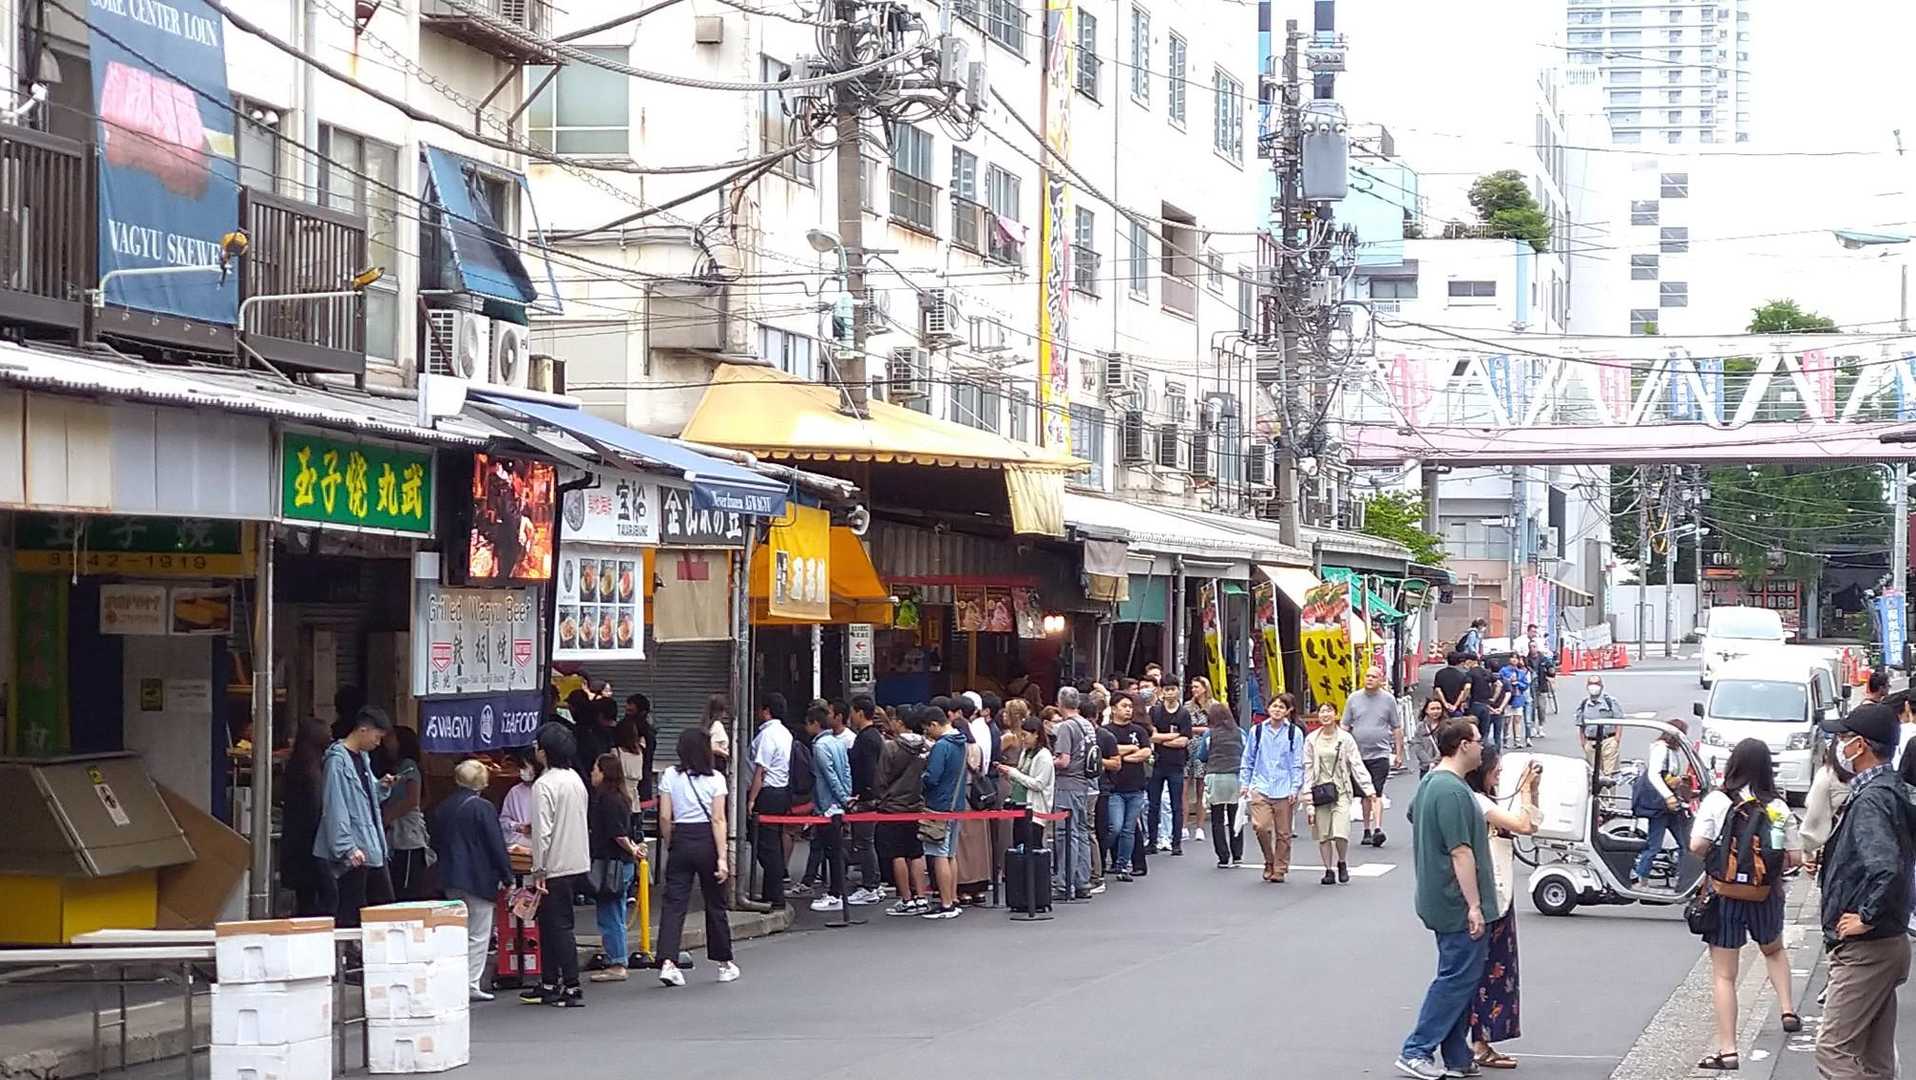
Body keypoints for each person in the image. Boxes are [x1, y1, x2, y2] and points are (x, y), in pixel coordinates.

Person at [1814, 701, 1916, 1080]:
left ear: (1861, 745)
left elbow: (1887, 866)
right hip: (1889, 941)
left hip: (1868, 946)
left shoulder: (1872, 798)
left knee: (1834, 1050)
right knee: (1876, 1058)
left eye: (1844, 738)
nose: (1839, 746)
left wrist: (1866, 917)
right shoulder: (1893, 790)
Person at [1688, 738, 1803, 1072]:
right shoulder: (1777, 806)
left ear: (1733, 764)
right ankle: (1787, 1010)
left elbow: (1697, 845)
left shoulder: (1718, 800)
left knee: (1725, 975)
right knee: (1773, 950)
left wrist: (1723, 857)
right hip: (1765, 894)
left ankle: (1728, 1050)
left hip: (1725, 896)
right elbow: (1794, 857)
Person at [1395, 719, 1499, 1080]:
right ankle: (1416, 1049)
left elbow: (1413, 814)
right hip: (1455, 899)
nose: (1483, 747)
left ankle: (1457, 1055)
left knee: (1462, 976)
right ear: (1463, 745)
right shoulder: (1452, 791)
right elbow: (1460, 851)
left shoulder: (1431, 783)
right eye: (1478, 740)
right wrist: (1474, 905)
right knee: (1456, 977)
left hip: (1437, 893)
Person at [1464, 746, 1543, 1071]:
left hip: (1499, 891)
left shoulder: (1486, 799)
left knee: (1497, 967)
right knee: (1487, 969)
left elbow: (1530, 824)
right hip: (1488, 894)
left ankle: (1482, 1041)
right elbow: (1522, 826)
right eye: (1496, 767)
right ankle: (1478, 1042)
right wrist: (1524, 789)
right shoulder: (1478, 801)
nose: (1499, 773)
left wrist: (1532, 791)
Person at [655, 727, 740, 988]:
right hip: (707, 840)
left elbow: (665, 816)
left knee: (674, 903)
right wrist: (722, 857)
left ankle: (668, 962)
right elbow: (718, 819)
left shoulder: (670, 775)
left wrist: (671, 841)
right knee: (715, 903)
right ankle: (724, 963)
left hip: (681, 837)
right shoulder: (716, 779)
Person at [433, 759, 514, 1002]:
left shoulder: (443, 806)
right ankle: (470, 982)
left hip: (450, 875)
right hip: (478, 876)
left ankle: (452, 980)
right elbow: (495, 844)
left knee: (457, 932)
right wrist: (507, 875)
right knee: (478, 933)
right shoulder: (483, 807)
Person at [521, 721, 590, 1007]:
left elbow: (543, 833)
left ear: (544, 751)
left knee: (558, 926)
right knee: (552, 925)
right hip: (576, 860)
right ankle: (549, 982)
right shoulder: (575, 779)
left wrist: (538, 870)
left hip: (554, 865)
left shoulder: (544, 785)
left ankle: (571, 985)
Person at [318, 706, 394, 928]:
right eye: (377, 737)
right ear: (363, 730)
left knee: (377, 911)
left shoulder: (363, 757)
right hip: (354, 852)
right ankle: (350, 950)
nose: (378, 743)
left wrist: (381, 787)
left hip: (368, 845)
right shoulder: (337, 761)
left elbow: (364, 798)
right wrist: (347, 847)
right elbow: (335, 806)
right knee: (355, 914)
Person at [1303, 701, 1376, 886]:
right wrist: (1307, 794)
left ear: (1336, 714)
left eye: (1329, 711)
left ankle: (1342, 861)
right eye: (1322, 711)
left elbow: (1356, 763)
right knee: (1324, 835)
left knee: (1340, 832)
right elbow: (1308, 767)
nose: (1325, 715)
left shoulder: (1345, 739)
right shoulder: (1312, 739)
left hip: (1341, 790)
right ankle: (1328, 870)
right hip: (1320, 791)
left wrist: (1368, 788)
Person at [1240, 692, 1308, 883]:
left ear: (1288, 711)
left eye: (1281, 707)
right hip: (1261, 785)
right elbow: (1248, 758)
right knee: (1260, 826)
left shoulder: (1294, 733)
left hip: (1284, 787)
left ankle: (1280, 868)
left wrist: (1295, 788)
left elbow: (1297, 763)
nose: (1277, 710)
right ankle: (1269, 860)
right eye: (1274, 706)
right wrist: (1245, 783)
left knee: (1283, 833)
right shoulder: (1257, 731)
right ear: (1268, 708)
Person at [585, 753, 638, 983]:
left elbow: (618, 833)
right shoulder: (621, 797)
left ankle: (617, 962)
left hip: (611, 864)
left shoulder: (607, 800)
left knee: (610, 914)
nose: (592, 773)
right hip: (620, 863)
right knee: (616, 911)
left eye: (595, 769)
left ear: (604, 772)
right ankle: (617, 957)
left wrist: (631, 849)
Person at [877, 706, 933, 917]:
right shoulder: (926, 747)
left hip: (893, 807)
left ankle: (906, 898)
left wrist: (881, 797)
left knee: (897, 854)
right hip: (916, 805)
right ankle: (921, 897)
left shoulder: (891, 747)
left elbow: (881, 778)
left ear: (900, 722)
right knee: (916, 852)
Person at [802, 704, 855, 913]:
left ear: (815, 723)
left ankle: (835, 894)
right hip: (839, 803)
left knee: (832, 851)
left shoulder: (820, 746)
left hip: (828, 805)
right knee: (835, 849)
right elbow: (846, 771)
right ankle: (836, 892)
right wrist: (847, 796)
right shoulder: (837, 742)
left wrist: (841, 798)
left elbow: (829, 775)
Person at [1631, 718, 1694, 889]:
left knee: (1685, 844)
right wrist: (1668, 796)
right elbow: (1655, 775)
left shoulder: (1670, 751)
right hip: (1661, 805)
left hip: (1669, 806)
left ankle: (1683, 877)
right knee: (1656, 845)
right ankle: (1643, 878)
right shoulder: (1661, 749)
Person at [1049, 687, 1099, 902]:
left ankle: (1064, 883)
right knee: (1081, 831)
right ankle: (1082, 881)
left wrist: (1047, 761)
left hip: (1067, 784)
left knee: (1065, 834)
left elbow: (1064, 761)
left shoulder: (1066, 727)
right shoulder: (1087, 725)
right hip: (1084, 783)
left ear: (1060, 702)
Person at [280, 719, 334, 918]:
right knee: (326, 897)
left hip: (297, 840)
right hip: (312, 841)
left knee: (306, 899)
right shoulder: (313, 771)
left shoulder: (296, 765)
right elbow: (315, 807)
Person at [1345, 667, 1404, 849]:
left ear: (1381, 680)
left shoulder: (1388, 700)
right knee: (1364, 794)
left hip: (1380, 753)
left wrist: (1399, 753)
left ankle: (1378, 828)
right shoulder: (1353, 698)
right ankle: (1366, 829)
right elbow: (1345, 726)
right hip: (1358, 754)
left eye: (1374, 677)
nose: (1370, 679)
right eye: (1367, 676)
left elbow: (1396, 727)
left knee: (1376, 791)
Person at [745, 695, 794, 910]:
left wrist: (752, 799)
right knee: (772, 841)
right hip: (782, 792)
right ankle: (770, 893)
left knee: (765, 845)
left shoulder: (767, 735)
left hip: (767, 792)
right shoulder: (785, 733)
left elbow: (761, 770)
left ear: (766, 711)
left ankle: (775, 895)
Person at [1100, 692, 1154, 882]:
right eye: (1124, 706)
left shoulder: (1138, 731)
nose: (1128, 710)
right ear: (1113, 708)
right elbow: (1107, 752)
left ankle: (1123, 865)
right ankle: (1101, 857)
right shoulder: (1106, 731)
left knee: (1129, 829)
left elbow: (1146, 751)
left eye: (1130, 706)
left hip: (1136, 787)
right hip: (1114, 788)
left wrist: (1124, 757)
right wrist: (1130, 749)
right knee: (1115, 827)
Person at [920, 706, 968, 919]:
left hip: (940, 805)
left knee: (939, 853)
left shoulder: (942, 746)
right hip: (957, 803)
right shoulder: (962, 742)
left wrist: (922, 777)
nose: (928, 733)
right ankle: (953, 898)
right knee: (950, 854)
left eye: (928, 729)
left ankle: (946, 903)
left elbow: (932, 777)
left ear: (934, 724)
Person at [378, 725, 433, 901]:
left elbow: (412, 799)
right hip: (398, 833)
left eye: (391, 738)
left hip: (407, 837)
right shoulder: (398, 767)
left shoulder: (408, 766)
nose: (386, 742)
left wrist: (387, 818)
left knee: (405, 888)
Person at [846, 694, 886, 903]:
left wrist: (862, 794)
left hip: (866, 798)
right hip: (870, 796)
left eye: (852, 712)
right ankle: (873, 883)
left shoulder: (866, 738)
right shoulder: (874, 736)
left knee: (864, 842)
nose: (850, 717)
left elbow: (869, 770)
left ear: (860, 713)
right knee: (866, 842)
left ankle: (871, 885)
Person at [1148, 679, 1195, 855]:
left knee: (1177, 805)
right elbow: (1151, 736)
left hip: (1176, 763)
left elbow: (1184, 740)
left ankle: (1176, 843)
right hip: (1157, 763)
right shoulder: (1155, 711)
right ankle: (1152, 841)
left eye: (1172, 689)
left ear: (1178, 690)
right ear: (1162, 691)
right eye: (1166, 689)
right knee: (1154, 805)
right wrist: (1172, 737)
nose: (1169, 693)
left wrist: (1162, 739)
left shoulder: (1184, 714)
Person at [996, 713, 1056, 850]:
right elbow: (1022, 776)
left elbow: (1038, 784)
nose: (1023, 739)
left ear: (1036, 734)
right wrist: (1009, 774)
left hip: (1034, 810)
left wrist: (1014, 773)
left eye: (1025, 735)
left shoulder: (1044, 756)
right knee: (1019, 846)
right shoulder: (1025, 752)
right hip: (1020, 805)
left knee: (1032, 847)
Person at [1201, 701, 1246, 868]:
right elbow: (1246, 752)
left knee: (1217, 818)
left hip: (1216, 776)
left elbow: (1202, 755)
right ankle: (1237, 855)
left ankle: (1223, 857)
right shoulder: (1240, 732)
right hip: (1235, 776)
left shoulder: (1209, 734)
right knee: (1236, 816)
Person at [1801, 741, 1853, 871]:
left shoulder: (1827, 775)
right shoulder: (1873, 779)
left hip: (1837, 853)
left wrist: (1808, 851)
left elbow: (1814, 817)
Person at [1574, 675, 1624, 776]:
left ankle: (1610, 786)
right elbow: (1580, 725)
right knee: (1595, 774)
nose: (1594, 686)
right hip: (1591, 743)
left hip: (1608, 741)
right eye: (1591, 684)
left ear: (1601, 686)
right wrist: (1583, 742)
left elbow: (1619, 720)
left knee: (1610, 774)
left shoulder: (1610, 702)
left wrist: (1616, 739)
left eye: (1596, 684)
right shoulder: (1584, 704)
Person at [1466, 654, 1507, 750]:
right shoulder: (1486, 672)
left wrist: (1465, 698)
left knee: (1474, 730)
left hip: (1475, 704)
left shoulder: (1470, 673)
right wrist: (1493, 698)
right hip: (1486, 704)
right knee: (1485, 732)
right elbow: (1499, 684)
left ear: (1471, 661)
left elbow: (1467, 687)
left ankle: (1476, 751)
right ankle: (1487, 753)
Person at [498, 746, 537, 850]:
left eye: (525, 767)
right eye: (520, 768)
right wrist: (518, 827)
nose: (522, 771)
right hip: (520, 846)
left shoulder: (548, 789)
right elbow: (503, 821)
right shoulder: (515, 792)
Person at [621, 694, 655, 802]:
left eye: (631, 709)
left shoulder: (647, 734)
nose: (627, 708)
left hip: (637, 783)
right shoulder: (648, 732)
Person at [1498, 654, 1532, 749]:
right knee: (1507, 720)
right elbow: (1499, 682)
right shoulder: (1503, 671)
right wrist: (1509, 681)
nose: (1514, 660)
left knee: (1517, 719)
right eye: (1512, 658)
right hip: (1507, 699)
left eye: (1516, 658)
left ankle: (1517, 740)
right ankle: (1506, 739)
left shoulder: (1521, 672)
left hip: (1518, 697)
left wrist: (1518, 683)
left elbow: (1525, 685)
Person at [1412, 698, 1448, 778]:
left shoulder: (1447, 726)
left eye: (1438, 708)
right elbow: (1418, 746)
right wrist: (1428, 762)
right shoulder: (1421, 727)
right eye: (1432, 709)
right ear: (1426, 710)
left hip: (1444, 766)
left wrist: (1436, 761)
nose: (1436, 711)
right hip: (1426, 768)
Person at [1433, 652, 1471, 718]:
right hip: (1457, 708)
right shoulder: (1463, 674)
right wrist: (1455, 705)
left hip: (1443, 707)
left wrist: (1445, 703)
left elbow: (1437, 690)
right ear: (1459, 662)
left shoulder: (1439, 673)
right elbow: (1463, 691)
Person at [703, 693, 733, 770]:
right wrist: (726, 754)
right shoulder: (717, 725)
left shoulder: (708, 725)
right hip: (717, 764)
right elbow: (713, 747)